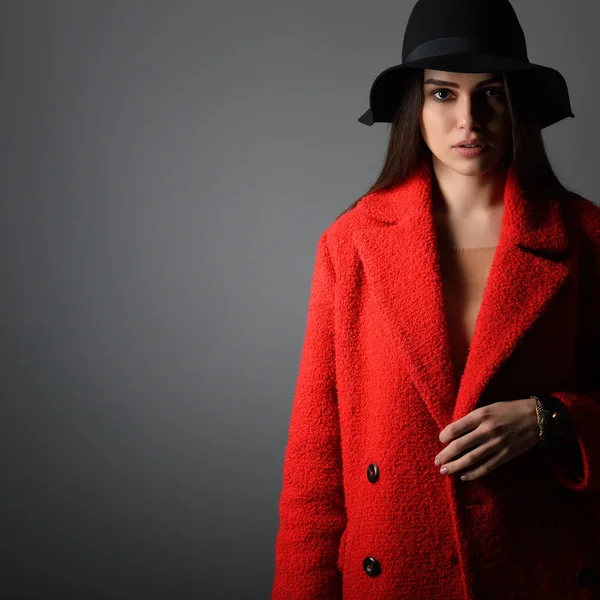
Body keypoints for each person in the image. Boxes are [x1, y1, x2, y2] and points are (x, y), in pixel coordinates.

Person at [271, 1, 600, 598]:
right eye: (443, 94)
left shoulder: (584, 237)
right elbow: (316, 465)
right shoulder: (352, 245)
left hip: (541, 567)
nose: (467, 119)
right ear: (414, 110)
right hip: (396, 571)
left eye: (492, 93)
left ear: (517, 104)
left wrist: (550, 418)